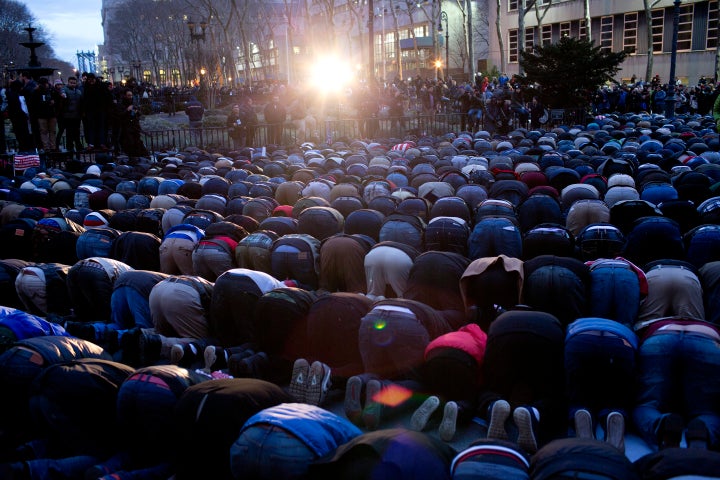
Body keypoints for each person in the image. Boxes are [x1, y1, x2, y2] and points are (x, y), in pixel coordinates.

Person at [28, 78, 58, 152]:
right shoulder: (36, 92)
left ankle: (52, 146)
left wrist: (54, 103)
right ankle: (46, 147)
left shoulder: (51, 91)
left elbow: (57, 98)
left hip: (51, 114)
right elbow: (33, 104)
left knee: (52, 131)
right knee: (44, 131)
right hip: (42, 115)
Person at [117, 88, 149, 157]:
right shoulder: (121, 104)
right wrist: (127, 110)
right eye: (128, 95)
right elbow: (120, 115)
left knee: (137, 143)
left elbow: (141, 116)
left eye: (131, 95)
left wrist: (137, 112)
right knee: (130, 143)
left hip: (135, 127)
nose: (130, 97)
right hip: (126, 128)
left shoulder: (134, 103)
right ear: (125, 96)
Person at [59, 77, 84, 156]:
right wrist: (63, 95)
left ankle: (78, 145)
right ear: (68, 82)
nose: (73, 84)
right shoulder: (65, 90)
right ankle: (70, 146)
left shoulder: (78, 92)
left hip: (76, 115)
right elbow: (62, 92)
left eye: (74, 83)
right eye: (71, 83)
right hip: (68, 115)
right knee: (69, 131)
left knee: (77, 131)